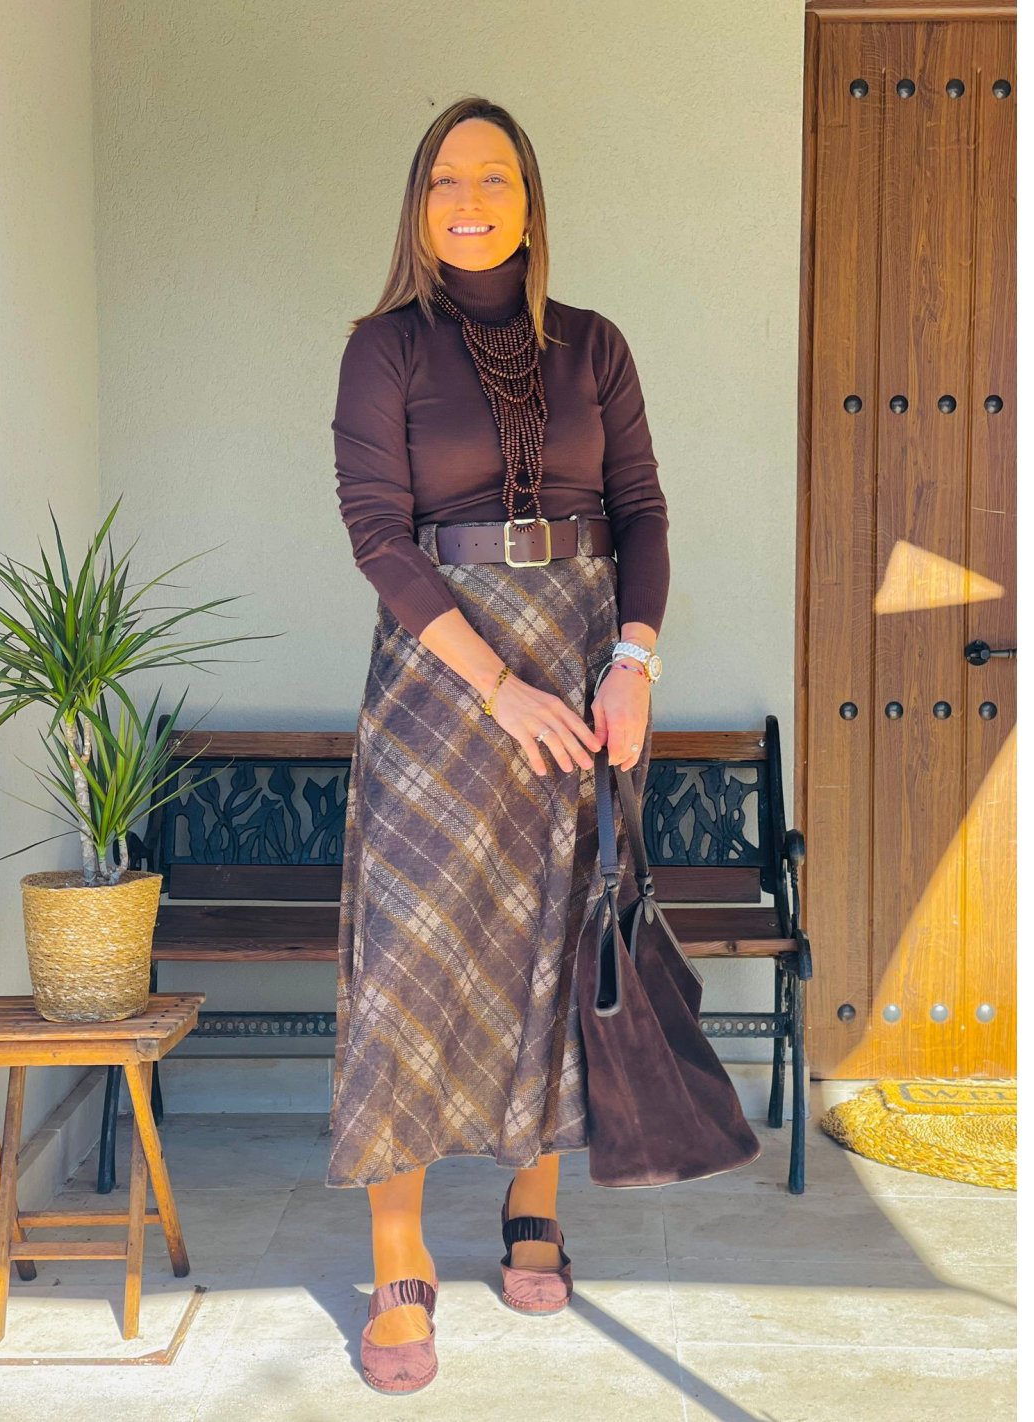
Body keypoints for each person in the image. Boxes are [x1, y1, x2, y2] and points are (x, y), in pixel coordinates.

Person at [328, 95, 669, 1395]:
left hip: (583, 657)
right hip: (443, 672)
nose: (468, 202)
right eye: (445, 182)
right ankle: (398, 1252)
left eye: (494, 179)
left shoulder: (596, 345)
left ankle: (536, 1198)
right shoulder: (383, 349)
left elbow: (641, 510)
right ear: (419, 207)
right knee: (412, 952)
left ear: (530, 199)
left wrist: (631, 662)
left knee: (554, 937)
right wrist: (500, 688)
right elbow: (378, 534)